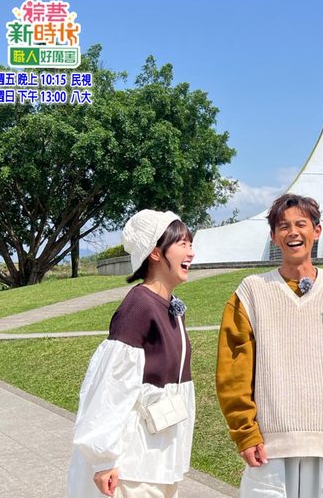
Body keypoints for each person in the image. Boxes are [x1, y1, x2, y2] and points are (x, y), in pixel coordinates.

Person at [216, 193, 323, 498]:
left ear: (316, 231)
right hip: (270, 445)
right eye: (283, 226)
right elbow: (233, 372)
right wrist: (245, 432)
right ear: (273, 236)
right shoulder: (251, 292)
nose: (293, 232)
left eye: (301, 224)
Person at [67, 209, 196, 498]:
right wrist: (104, 460)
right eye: (182, 244)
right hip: (134, 465)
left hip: (161, 461)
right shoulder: (139, 307)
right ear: (155, 253)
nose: (191, 252)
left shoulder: (171, 306)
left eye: (191, 243)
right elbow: (111, 387)